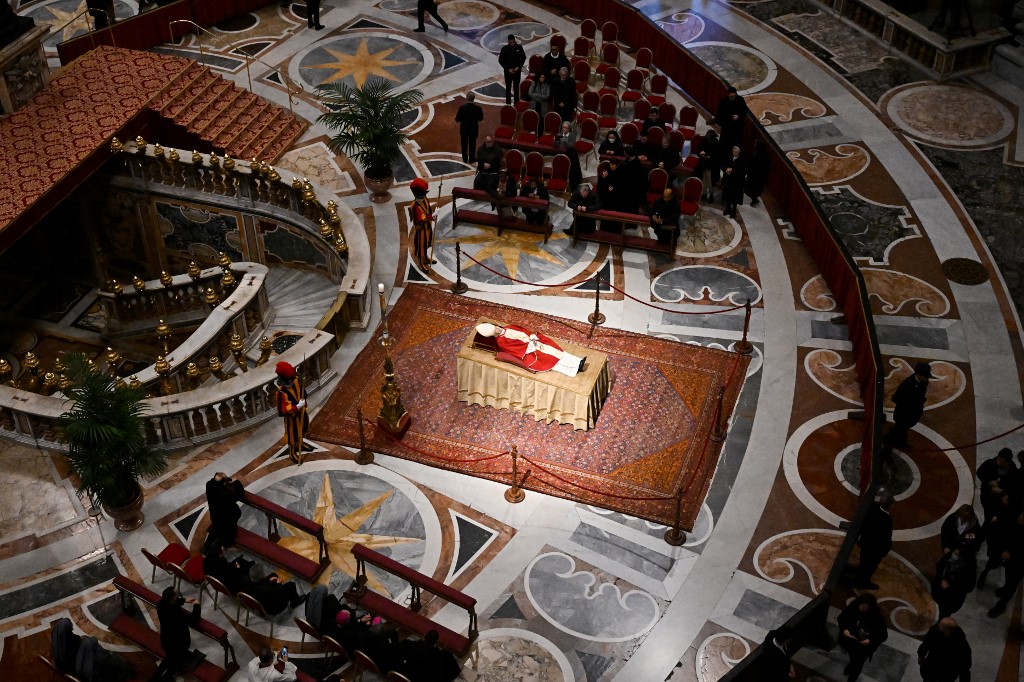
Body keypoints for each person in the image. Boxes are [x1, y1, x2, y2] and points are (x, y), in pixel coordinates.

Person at [475, 322, 586, 377]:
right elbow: (516, 349)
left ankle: (577, 361)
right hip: (529, 352)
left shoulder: (509, 326)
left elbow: (524, 330)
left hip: (534, 341)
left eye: (497, 327)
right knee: (551, 359)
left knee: (556, 351)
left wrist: (532, 336)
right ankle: (574, 369)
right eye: (496, 331)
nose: (499, 330)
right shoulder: (501, 342)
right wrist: (531, 345)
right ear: (494, 334)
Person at [836, 593, 887, 682]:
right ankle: (851, 664)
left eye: (865, 608)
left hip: (864, 647)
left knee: (858, 664)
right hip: (851, 640)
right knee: (852, 656)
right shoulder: (853, 606)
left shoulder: (877, 617)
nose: (862, 610)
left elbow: (883, 635)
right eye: (862, 607)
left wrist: (870, 640)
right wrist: (844, 629)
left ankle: (851, 679)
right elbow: (842, 619)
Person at [153, 586, 201, 680]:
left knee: (168, 659)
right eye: (176, 594)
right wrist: (197, 605)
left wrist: (183, 600)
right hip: (179, 644)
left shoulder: (161, 604)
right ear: (173, 597)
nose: (178, 594)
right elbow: (193, 620)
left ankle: (154, 679)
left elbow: (171, 602)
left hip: (166, 641)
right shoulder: (176, 614)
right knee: (174, 665)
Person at [885, 361, 931, 454]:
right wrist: (910, 403)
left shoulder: (924, 382)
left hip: (912, 415)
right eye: (925, 376)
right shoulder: (907, 385)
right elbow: (895, 398)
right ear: (919, 375)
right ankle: (886, 452)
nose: (927, 378)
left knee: (903, 430)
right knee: (896, 433)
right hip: (903, 415)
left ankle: (901, 442)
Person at [985, 509, 1024, 617]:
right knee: (1008, 577)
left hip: (1019, 564)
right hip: (1010, 559)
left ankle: (1001, 605)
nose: (1020, 517)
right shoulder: (1017, 524)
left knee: (1012, 584)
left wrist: (1012, 555)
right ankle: (1005, 588)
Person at [855, 490, 893, 589]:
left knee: (863, 563)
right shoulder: (886, 520)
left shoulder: (872, 509)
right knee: (870, 567)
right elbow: (886, 538)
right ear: (891, 505)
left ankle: (860, 579)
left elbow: (875, 501)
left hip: (866, 543)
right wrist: (885, 550)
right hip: (876, 550)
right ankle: (864, 582)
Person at [393, 630, 461, 682]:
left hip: (409, 676)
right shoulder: (440, 655)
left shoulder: (412, 645)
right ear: (436, 642)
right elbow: (454, 671)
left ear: (424, 636)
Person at [275, 360, 309, 465]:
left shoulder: (295, 380)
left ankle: (300, 443)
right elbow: (282, 410)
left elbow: (302, 391)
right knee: (292, 435)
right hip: (292, 418)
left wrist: (304, 396)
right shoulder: (280, 393)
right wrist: (296, 407)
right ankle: (292, 452)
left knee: (303, 428)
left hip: (302, 412)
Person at [932, 545, 975, 618]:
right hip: (938, 591)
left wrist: (951, 584)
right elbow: (939, 566)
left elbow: (969, 587)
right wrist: (941, 578)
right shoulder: (950, 555)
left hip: (951, 600)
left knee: (943, 614)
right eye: (955, 551)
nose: (954, 554)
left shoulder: (969, 570)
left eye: (958, 554)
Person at [205, 471, 244, 547]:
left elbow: (216, 481)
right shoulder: (226, 495)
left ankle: (207, 546)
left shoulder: (209, 485)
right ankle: (226, 544)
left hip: (214, 514)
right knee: (228, 531)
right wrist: (237, 482)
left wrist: (225, 480)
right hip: (227, 518)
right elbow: (240, 495)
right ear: (224, 483)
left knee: (216, 529)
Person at [409, 177, 435, 272]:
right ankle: (421, 263)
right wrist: (432, 216)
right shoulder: (416, 205)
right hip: (421, 230)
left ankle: (425, 258)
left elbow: (428, 210)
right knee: (421, 246)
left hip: (427, 227)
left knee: (427, 244)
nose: (425, 195)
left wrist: (433, 214)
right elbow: (422, 218)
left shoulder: (425, 200)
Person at [715, 86, 748, 152]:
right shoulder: (723, 101)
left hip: (736, 127)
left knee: (735, 143)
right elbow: (719, 113)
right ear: (728, 95)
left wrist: (738, 116)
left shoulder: (740, 99)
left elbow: (745, 110)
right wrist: (720, 122)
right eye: (731, 96)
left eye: (734, 96)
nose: (733, 98)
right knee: (724, 144)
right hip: (726, 126)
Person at [455, 93, 484, 164]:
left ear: (467, 98)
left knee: (464, 144)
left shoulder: (462, 108)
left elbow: (457, 119)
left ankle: (464, 158)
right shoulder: (478, 108)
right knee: (472, 144)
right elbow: (480, 119)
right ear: (474, 98)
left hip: (464, 129)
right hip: (473, 129)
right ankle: (471, 158)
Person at [498, 35, 526, 105]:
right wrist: (507, 69)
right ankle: (508, 104)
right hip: (508, 73)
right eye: (511, 42)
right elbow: (500, 60)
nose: (512, 43)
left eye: (513, 42)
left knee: (516, 88)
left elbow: (523, 58)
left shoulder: (519, 47)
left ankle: (516, 104)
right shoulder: (504, 49)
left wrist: (518, 67)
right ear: (508, 42)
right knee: (508, 88)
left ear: (515, 40)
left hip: (517, 72)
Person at [696, 128, 721, 202]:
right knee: (703, 180)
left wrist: (709, 157)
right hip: (703, 164)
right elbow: (699, 149)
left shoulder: (716, 143)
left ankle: (711, 195)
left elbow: (717, 156)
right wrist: (701, 152)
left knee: (711, 182)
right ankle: (704, 194)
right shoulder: (704, 140)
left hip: (712, 166)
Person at [721, 145, 745, 219]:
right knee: (728, 196)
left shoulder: (742, 160)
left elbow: (743, 172)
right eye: (733, 151)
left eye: (736, 152)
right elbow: (722, 165)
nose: (734, 153)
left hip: (736, 183)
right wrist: (726, 169)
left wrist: (732, 171)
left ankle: (733, 210)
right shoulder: (728, 157)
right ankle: (728, 208)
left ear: (739, 153)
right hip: (728, 181)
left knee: (734, 198)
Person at [745, 139, 770, 206]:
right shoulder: (766, 155)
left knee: (752, 187)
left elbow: (750, 165)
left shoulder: (754, 155)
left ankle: (754, 198)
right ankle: (754, 198)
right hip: (760, 176)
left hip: (753, 175)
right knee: (757, 188)